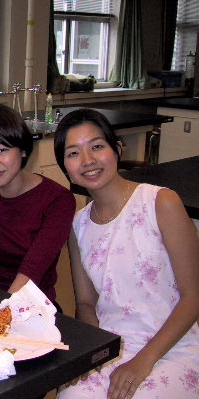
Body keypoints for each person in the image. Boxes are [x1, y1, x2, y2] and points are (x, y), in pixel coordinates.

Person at [54, 108, 199, 399]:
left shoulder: (160, 202)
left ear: (117, 149)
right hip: (111, 343)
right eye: (73, 153)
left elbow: (193, 296)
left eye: (97, 146)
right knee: (72, 395)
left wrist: (143, 361)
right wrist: (91, 352)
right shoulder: (78, 225)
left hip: (173, 343)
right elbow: (85, 303)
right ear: (66, 168)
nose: (88, 160)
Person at [0, 104, 75, 304]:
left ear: (23, 150)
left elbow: (31, 274)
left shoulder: (57, 200)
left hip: (32, 309)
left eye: (2, 150)